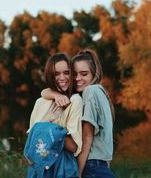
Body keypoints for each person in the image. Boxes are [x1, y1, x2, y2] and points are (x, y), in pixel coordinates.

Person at [42, 49, 116, 178]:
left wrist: (78, 174)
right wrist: (55, 94)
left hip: (91, 168)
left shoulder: (91, 91)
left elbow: (87, 138)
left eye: (84, 74)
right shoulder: (100, 93)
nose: (78, 79)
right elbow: (44, 92)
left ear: (94, 74)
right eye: (74, 74)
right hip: (100, 167)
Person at [24, 53, 83, 177]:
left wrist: (46, 130)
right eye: (56, 74)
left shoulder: (75, 101)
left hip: (61, 168)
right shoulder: (40, 102)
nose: (62, 78)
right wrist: (52, 126)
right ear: (50, 76)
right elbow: (31, 148)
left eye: (67, 72)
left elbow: (74, 147)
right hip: (37, 168)